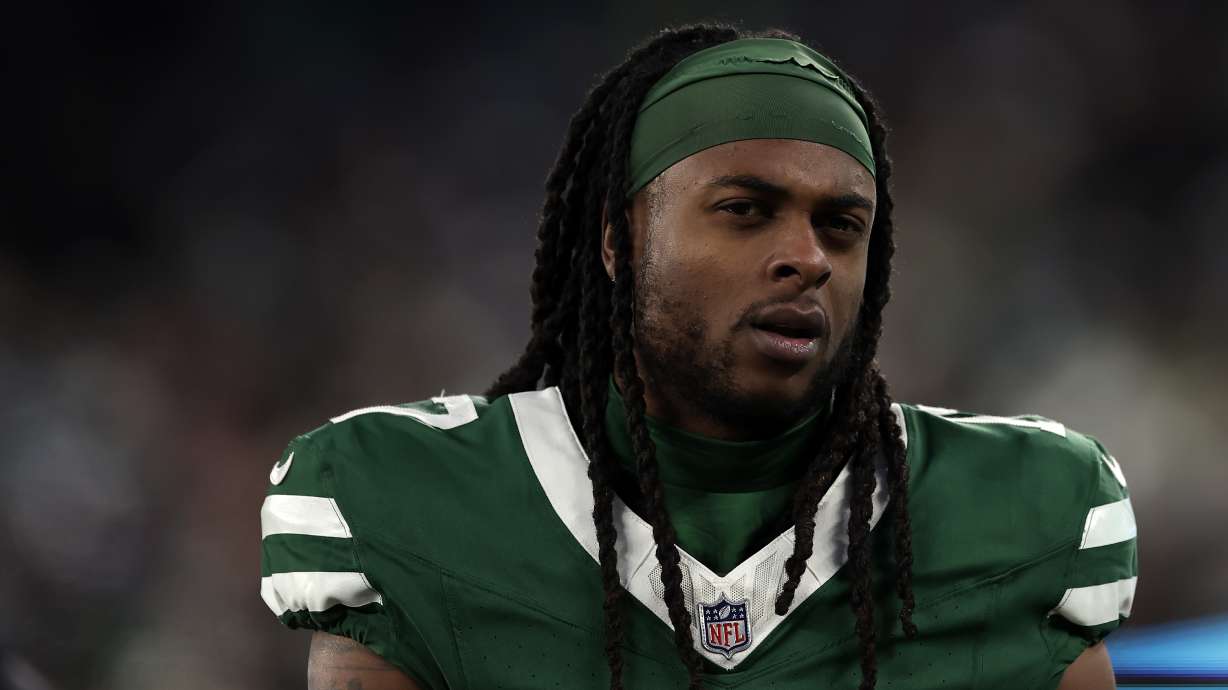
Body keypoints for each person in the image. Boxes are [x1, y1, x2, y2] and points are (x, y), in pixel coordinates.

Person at [258, 24, 1137, 690]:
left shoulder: (1028, 511)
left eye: (842, 226)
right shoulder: (407, 499)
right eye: (745, 210)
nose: (810, 257)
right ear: (617, 241)